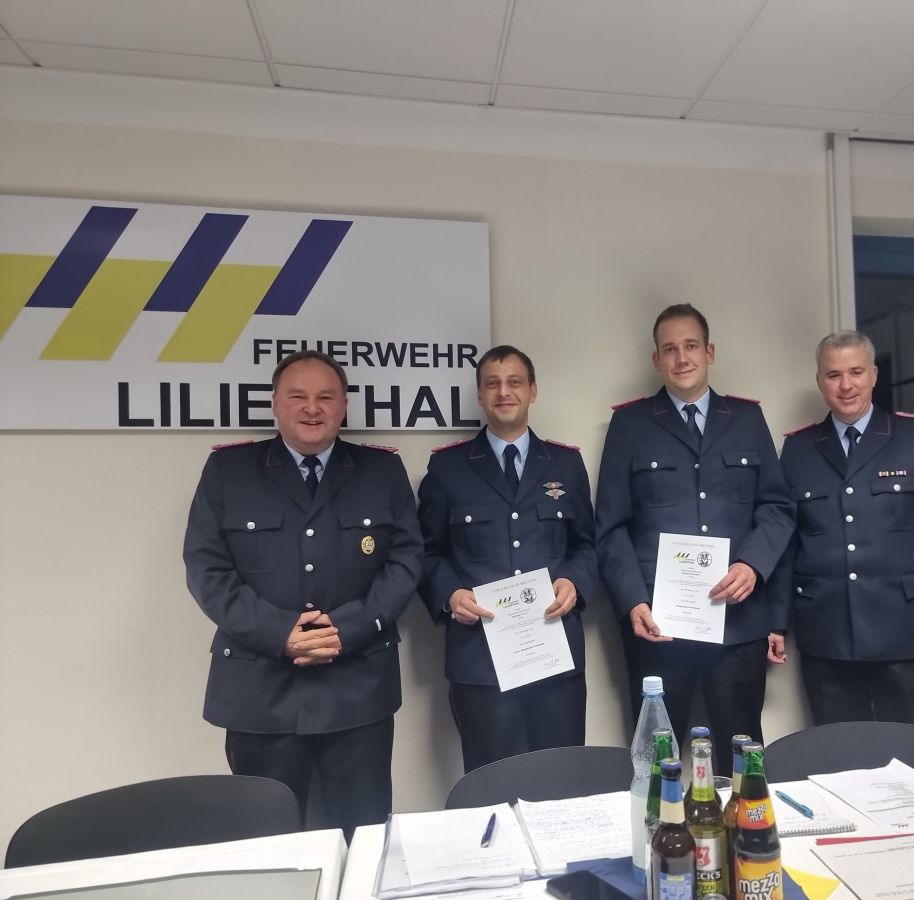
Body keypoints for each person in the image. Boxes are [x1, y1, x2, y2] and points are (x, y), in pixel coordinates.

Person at [183, 350, 422, 834]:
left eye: (326, 397)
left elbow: (406, 560)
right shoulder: (228, 471)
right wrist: (279, 633)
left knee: (362, 832)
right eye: (298, 396)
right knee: (269, 837)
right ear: (275, 403)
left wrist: (347, 629)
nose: (312, 408)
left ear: (344, 406)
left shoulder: (382, 470)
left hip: (357, 689)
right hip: (261, 692)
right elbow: (207, 568)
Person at [595, 304, 794, 770]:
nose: (681, 358)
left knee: (742, 758)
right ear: (656, 360)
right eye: (670, 349)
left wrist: (752, 565)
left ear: (709, 352)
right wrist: (632, 601)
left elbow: (777, 507)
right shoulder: (630, 425)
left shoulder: (746, 418)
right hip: (657, 624)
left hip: (737, 620)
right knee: (655, 761)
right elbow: (611, 527)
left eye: (690, 346)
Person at [772, 330, 914, 729]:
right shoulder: (798, 449)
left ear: (874, 375)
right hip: (827, 634)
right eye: (834, 375)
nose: (846, 385)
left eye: (856, 372)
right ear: (820, 381)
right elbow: (785, 541)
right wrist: (775, 622)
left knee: (911, 753)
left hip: (905, 632)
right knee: (840, 754)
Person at [417, 345, 598, 772]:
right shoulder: (448, 468)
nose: (504, 392)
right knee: (491, 782)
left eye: (514, 382)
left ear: (532, 390)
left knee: (560, 781)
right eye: (493, 384)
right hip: (480, 661)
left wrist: (574, 582)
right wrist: (450, 595)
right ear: (480, 395)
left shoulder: (566, 464)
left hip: (554, 655)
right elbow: (425, 551)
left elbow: (587, 545)